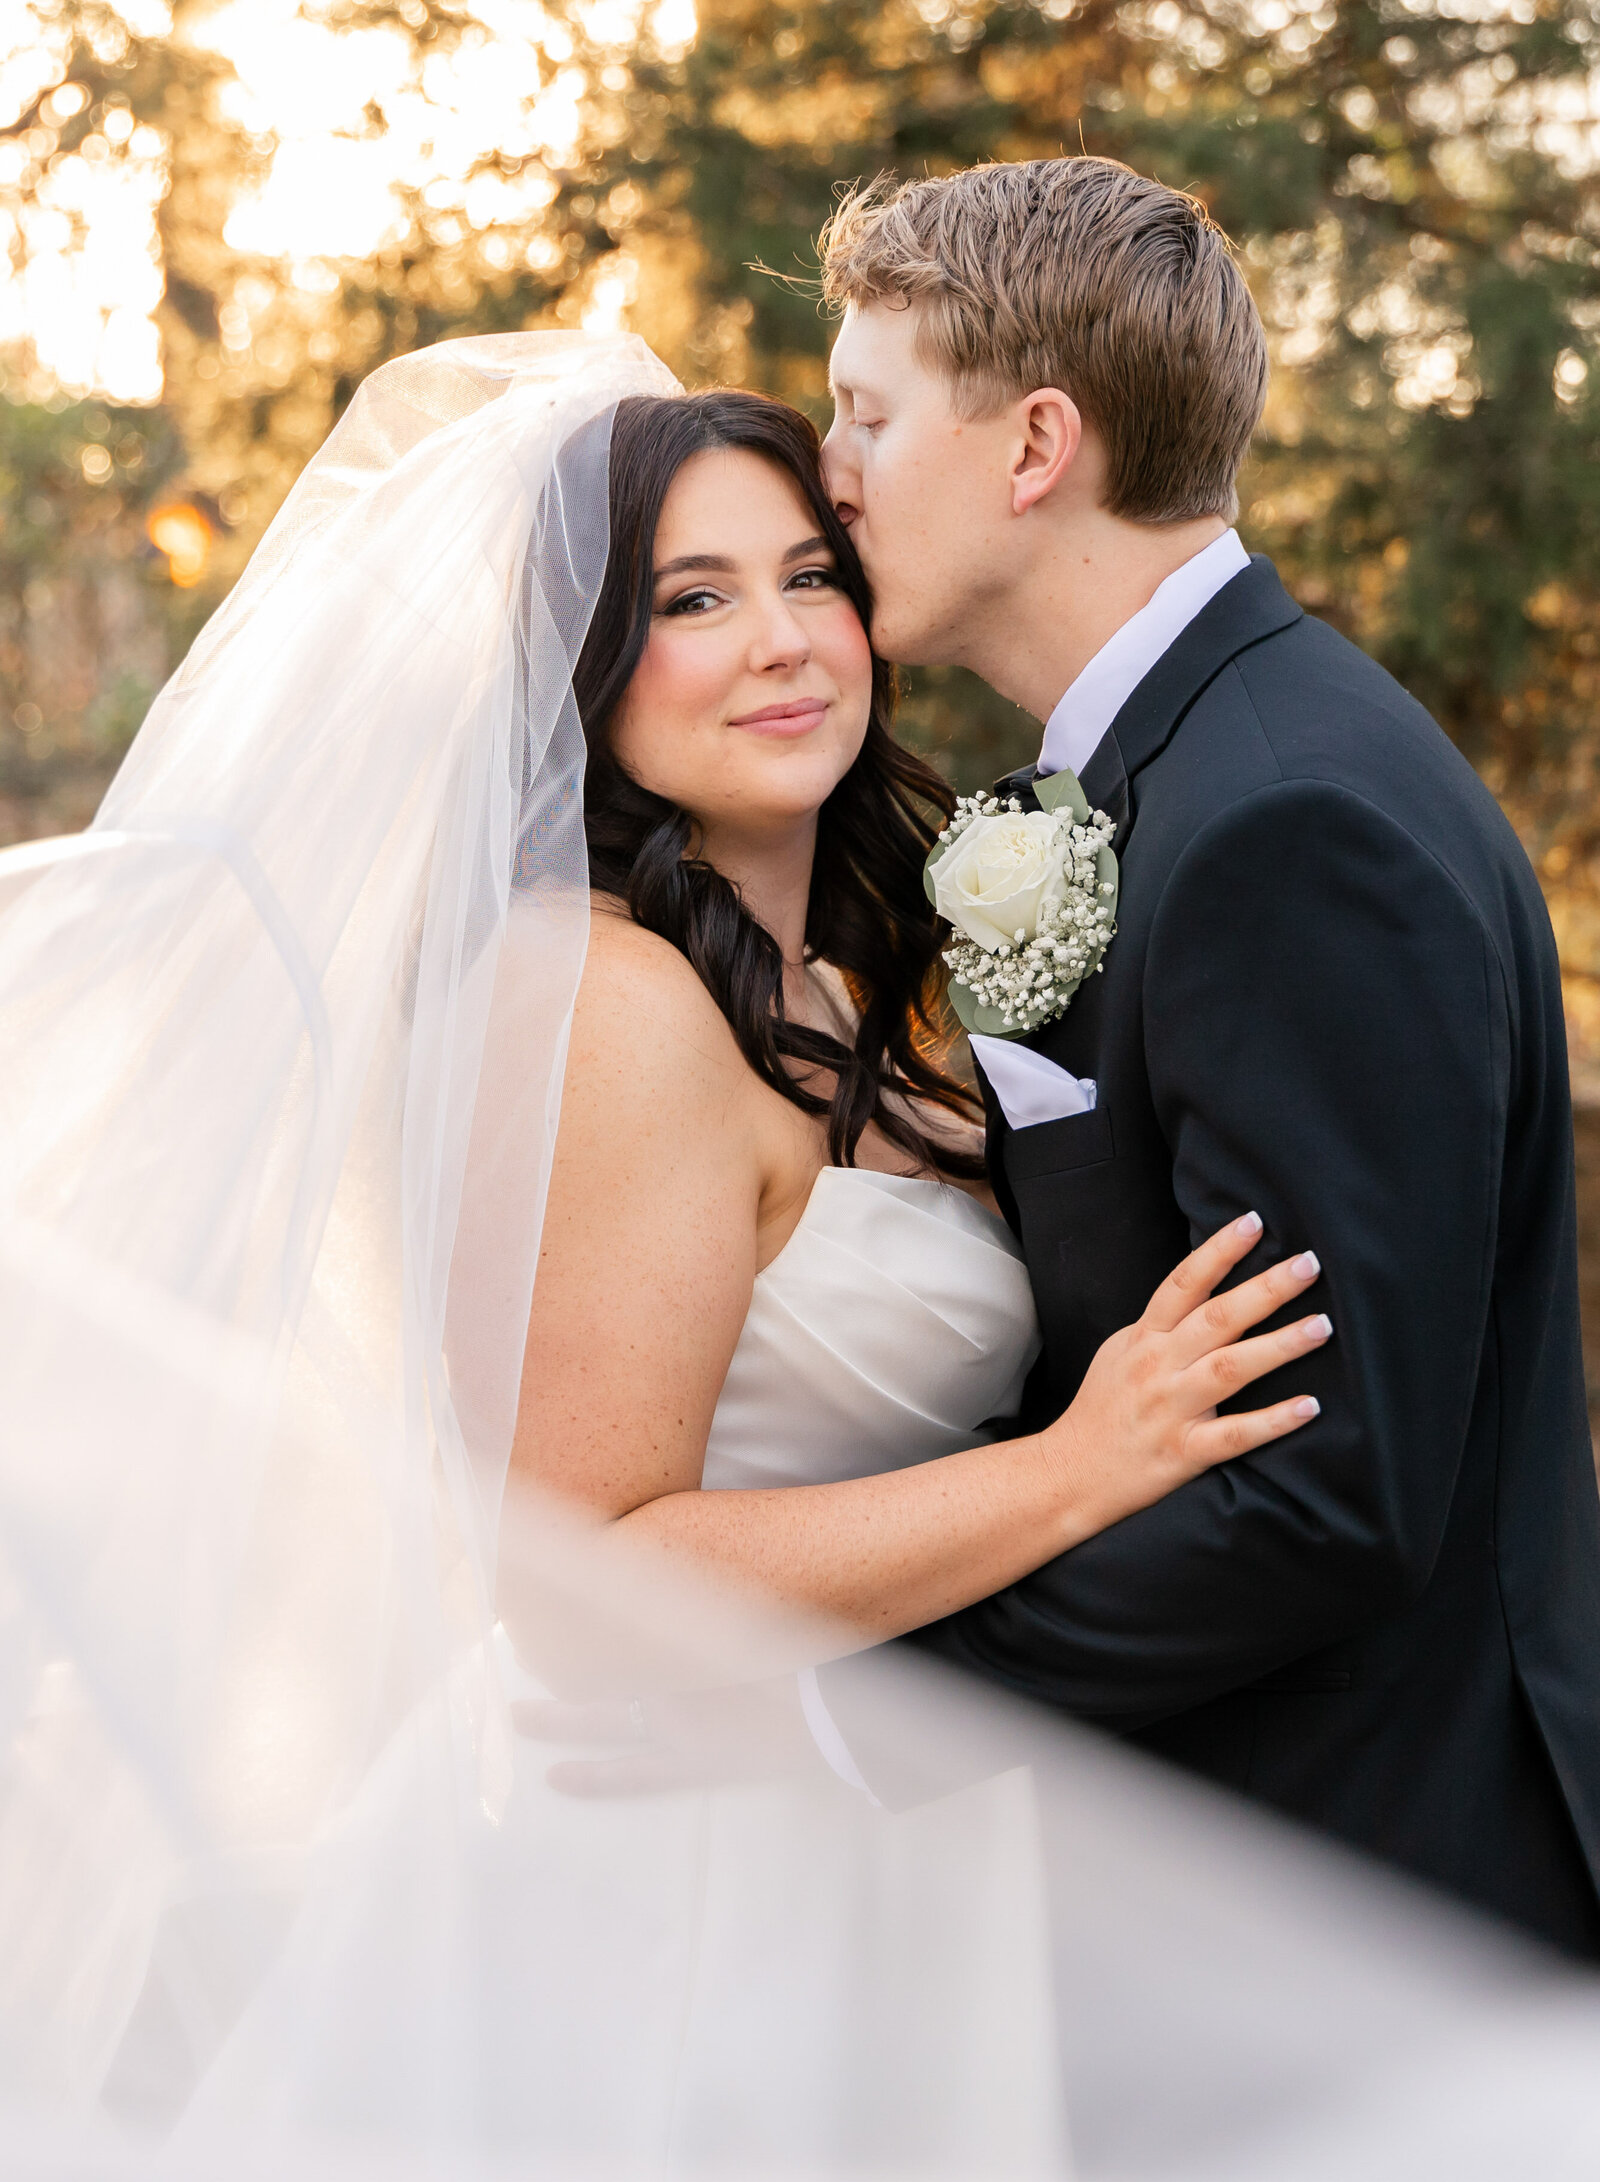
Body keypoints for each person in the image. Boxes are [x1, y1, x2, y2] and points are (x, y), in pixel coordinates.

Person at [0, 331, 1329, 2170]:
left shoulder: (876, 972)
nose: (783, 638)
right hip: (672, 1879)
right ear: (585, 671)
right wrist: (1080, 1469)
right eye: (693, 598)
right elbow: (577, 1576)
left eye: (809, 577)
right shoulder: (599, 999)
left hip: (873, 1830)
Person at [810, 155, 1600, 1957]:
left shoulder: (1288, 820)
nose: (827, 465)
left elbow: (1315, 1495)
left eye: (865, 409)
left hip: (1370, 1915)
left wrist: (853, 1716)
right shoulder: (1172, 773)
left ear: (1033, 447)